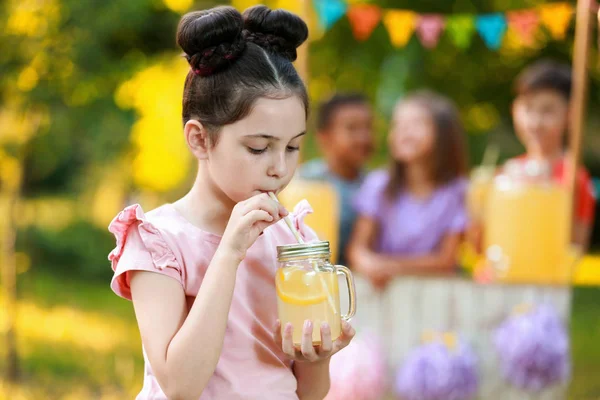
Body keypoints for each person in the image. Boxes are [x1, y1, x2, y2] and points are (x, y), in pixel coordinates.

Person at [107, 5, 354, 399]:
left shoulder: (291, 241)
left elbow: (309, 393)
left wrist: (317, 357)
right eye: (258, 148)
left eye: (292, 147)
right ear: (200, 139)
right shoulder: (159, 241)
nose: (279, 168)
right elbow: (179, 385)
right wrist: (229, 252)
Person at [348, 91, 469, 288]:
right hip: (382, 293)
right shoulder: (378, 184)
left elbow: (446, 260)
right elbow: (357, 249)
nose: (404, 132)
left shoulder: (458, 191)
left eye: (416, 124)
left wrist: (388, 266)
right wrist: (367, 263)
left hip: (436, 294)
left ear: (443, 134)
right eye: (398, 125)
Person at [510, 59, 596, 250]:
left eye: (547, 111)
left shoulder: (576, 179)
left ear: (570, 115)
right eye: (528, 108)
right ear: (514, 110)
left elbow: (575, 248)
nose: (535, 122)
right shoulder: (506, 173)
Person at [298, 94, 374, 265]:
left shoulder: (377, 185)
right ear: (324, 137)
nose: (364, 137)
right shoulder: (303, 183)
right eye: (352, 128)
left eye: (368, 127)